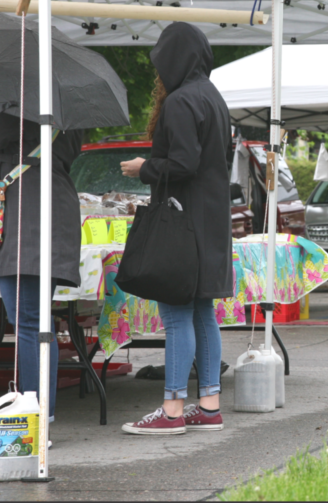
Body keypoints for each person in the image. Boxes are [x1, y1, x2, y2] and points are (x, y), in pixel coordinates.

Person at [119, 23, 233, 435]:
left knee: (176, 315)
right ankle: (209, 406)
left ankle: (170, 410)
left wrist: (143, 167)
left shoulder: (181, 101)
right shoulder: (214, 98)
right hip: (211, 221)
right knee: (203, 312)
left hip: (182, 223)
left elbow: (184, 163)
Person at [0, 109, 84, 433]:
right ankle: (36, 412)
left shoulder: (28, 89)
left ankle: (33, 419)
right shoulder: (66, 100)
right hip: (44, 212)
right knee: (33, 321)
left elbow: (1, 128)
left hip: (28, 217)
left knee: (30, 322)